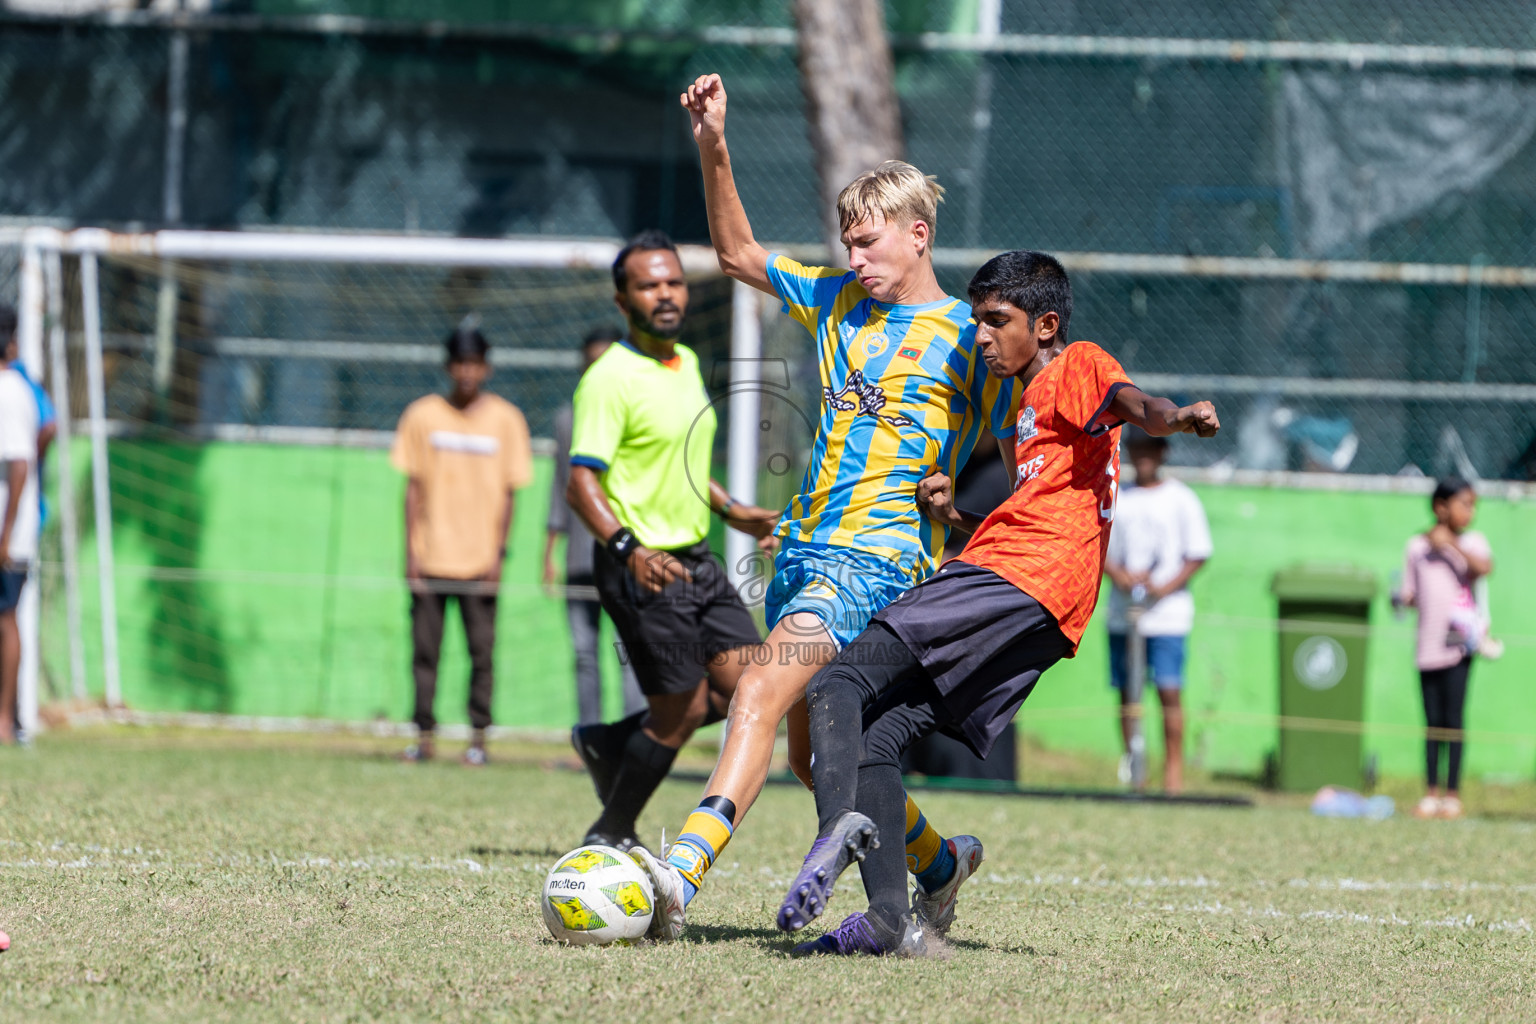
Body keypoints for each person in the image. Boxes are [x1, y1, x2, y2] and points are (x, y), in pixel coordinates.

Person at [632, 74, 1022, 943]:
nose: (855, 258)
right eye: (847, 243)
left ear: (918, 236)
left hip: (876, 562)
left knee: (759, 692)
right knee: (814, 759)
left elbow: (1020, 441)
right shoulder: (839, 303)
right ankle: (940, 866)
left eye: (869, 242)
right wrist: (714, 140)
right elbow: (737, 257)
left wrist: (959, 499)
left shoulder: (970, 335)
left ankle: (680, 880)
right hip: (805, 553)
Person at [777, 251, 1220, 956]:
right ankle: (891, 919)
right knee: (880, 735)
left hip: (1023, 577)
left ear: (1044, 325)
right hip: (1043, 602)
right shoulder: (1024, 405)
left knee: (838, 680)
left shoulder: (1076, 367)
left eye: (995, 320)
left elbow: (1136, 406)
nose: (980, 335)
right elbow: (1036, 506)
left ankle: (837, 830)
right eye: (977, 319)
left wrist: (1178, 418)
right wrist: (956, 520)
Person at [565, 229, 780, 858]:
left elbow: (681, 465)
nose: (666, 294)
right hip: (642, 565)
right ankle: (610, 828)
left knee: (747, 686)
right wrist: (628, 547)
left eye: (674, 282)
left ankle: (610, 743)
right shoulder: (610, 377)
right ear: (622, 297)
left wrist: (735, 511)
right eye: (649, 284)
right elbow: (581, 482)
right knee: (680, 713)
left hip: (695, 558)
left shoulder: (684, 363)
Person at [391, 325, 533, 766]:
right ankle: (424, 737)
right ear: (449, 367)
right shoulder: (422, 415)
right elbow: (412, 489)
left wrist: (498, 557)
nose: (467, 372)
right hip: (431, 558)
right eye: (460, 364)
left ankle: (477, 740)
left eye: (475, 364)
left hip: (479, 564)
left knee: (481, 656)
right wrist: (410, 554)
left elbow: (511, 494)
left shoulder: (507, 420)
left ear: (486, 368)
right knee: (425, 655)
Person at [1102, 426, 1211, 794]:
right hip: (1124, 615)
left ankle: (1173, 777)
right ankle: (1136, 773)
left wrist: (1164, 587)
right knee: (1128, 695)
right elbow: (1100, 550)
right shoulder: (1118, 497)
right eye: (1137, 449)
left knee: (1169, 691)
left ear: (1163, 452)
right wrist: (1118, 575)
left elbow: (1197, 554)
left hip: (1167, 616)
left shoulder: (1181, 499)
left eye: (1150, 449)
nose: (1143, 456)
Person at [546, 325, 644, 726]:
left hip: (627, 557)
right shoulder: (567, 419)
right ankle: (590, 741)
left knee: (630, 652)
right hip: (580, 558)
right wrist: (550, 550)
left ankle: (636, 741)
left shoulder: (637, 415)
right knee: (584, 653)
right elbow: (559, 488)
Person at [1396, 476, 1492, 821]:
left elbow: (1483, 568)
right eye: (1464, 504)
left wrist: (1451, 543)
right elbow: (1410, 593)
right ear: (1440, 507)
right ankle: (1431, 792)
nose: (1471, 512)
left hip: (1459, 646)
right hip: (1427, 645)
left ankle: (1452, 794)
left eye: (1473, 505)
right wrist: (1401, 598)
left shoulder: (1472, 542)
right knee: (1432, 721)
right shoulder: (1416, 547)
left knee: (1453, 719)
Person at [0, 314, 40, 746]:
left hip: (7, 533)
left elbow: (20, 463)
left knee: (5, 618)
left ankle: (6, 722)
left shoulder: (9, 392)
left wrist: (6, 535)